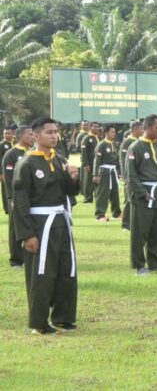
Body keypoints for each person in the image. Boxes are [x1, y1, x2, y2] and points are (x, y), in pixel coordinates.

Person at [12, 117, 79, 333]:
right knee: (42, 273)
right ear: (36, 135)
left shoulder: (58, 159)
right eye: (49, 132)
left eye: (56, 132)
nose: (54, 136)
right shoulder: (27, 163)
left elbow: (70, 192)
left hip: (60, 221)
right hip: (40, 224)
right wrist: (27, 235)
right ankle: (39, 322)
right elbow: (20, 202)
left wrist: (74, 177)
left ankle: (63, 316)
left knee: (66, 269)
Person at [126, 114, 157, 276]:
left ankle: (156, 263)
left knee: (156, 231)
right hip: (142, 196)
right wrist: (142, 193)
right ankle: (139, 265)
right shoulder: (135, 147)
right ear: (147, 128)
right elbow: (130, 175)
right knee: (140, 232)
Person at [3, 125, 34, 268]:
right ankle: (16, 260)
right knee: (15, 228)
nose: (33, 137)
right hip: (16, 198)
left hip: (32, 198)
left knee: (31, 225)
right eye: (29, 134)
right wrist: (12, 199)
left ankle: (29, 256)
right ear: (20, 136)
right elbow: (9, 180)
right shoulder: (11, 154)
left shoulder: (33, 152)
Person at [93, 125, 122, 221]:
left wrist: (118, 172)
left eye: (114, 132)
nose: (114, 134)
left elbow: (116, 160)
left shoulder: (114, 144)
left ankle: (116, 213)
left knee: (115, 192)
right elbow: (96, 160)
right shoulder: (101, 145)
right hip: (104, 171)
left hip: (113, 171)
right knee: (103, 193)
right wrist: (96, 174)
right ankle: (100, 215)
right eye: (112, 132)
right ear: (106, 133)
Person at [119, 121, 143, 231]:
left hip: (138, 176)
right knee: (129, 199)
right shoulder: (127, 142)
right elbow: (123, 160)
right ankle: (125, 224)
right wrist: (125, 176)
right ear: (135, 129)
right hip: (129, 176)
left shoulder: (139, 142)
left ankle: (134, 222)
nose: (143, 131)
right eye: (141, 129)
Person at [80, 122, 100, 203]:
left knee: (96, 180)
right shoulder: (87, 138)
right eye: (95, 127)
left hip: (96, 163)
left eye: (98, 127)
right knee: (88, 181)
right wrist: (86, 164)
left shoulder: (96, 138)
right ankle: (87, 197)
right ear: (90, 128)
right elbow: (83, 151)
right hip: (89, 163)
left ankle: (96, 196)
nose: (97, 129)